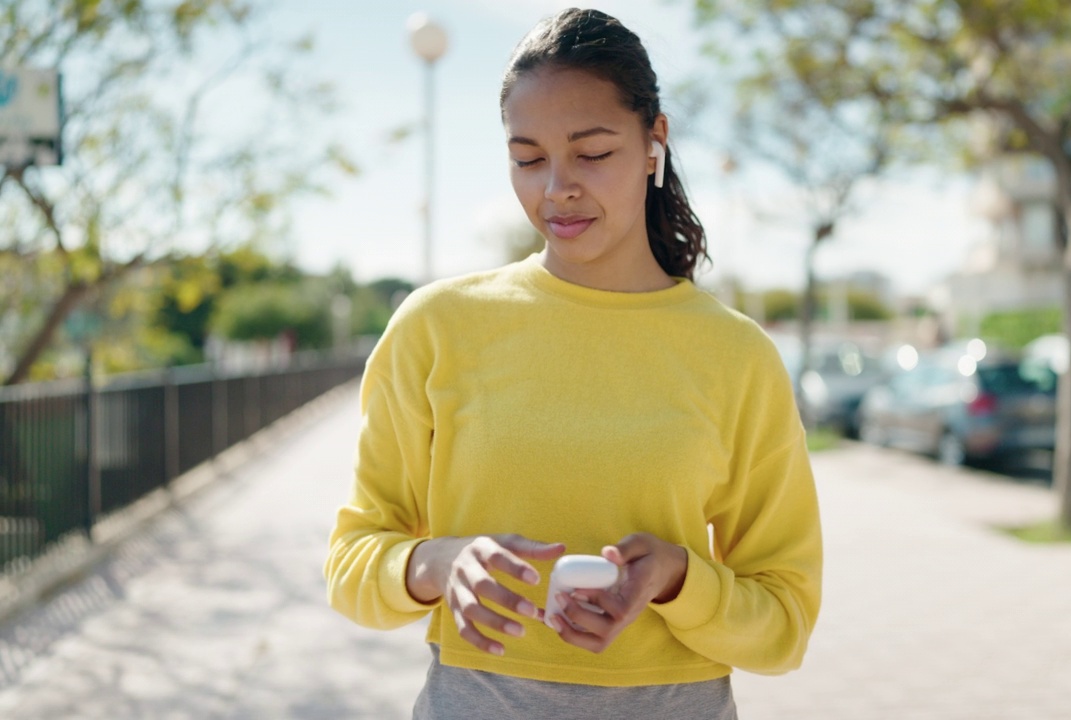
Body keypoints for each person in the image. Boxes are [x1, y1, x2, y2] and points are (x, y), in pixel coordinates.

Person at [324, 8, 822, 719]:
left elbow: (785, 625)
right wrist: (439, 563)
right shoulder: (437, 328)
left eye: (591, 153)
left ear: (655, 143)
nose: (555, 187)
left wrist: (682, 579)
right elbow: (350, 565)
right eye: (527, 158)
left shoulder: (737, 356)